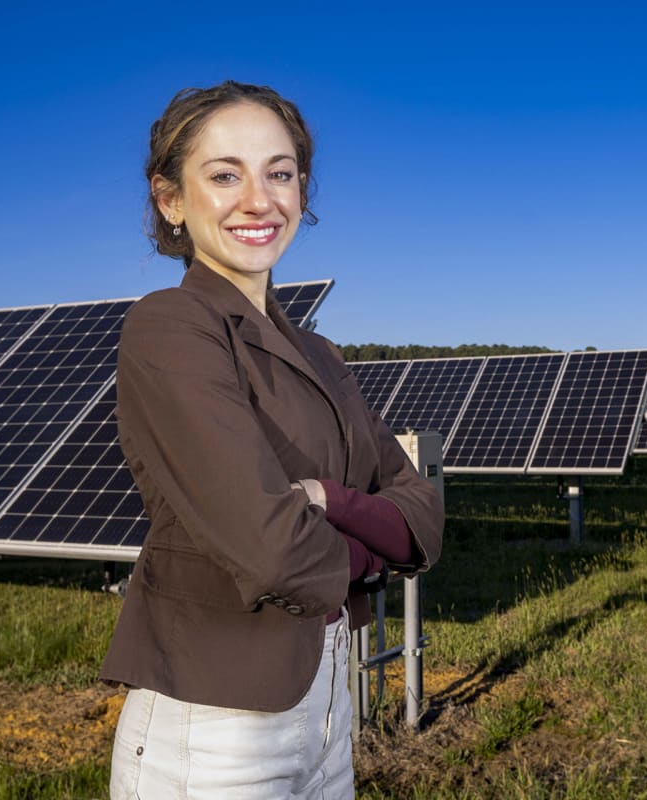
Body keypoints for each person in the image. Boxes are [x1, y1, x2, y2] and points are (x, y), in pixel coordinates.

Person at [102, 80, 443, 800]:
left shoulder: (321, 355)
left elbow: (423, 520)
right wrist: (369, 548)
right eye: (224, 175)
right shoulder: (171, 328)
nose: (259, 200)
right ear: (170, 199)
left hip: (328, 717)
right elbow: (274, 549)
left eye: (279, 173)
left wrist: (328, 498)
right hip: (216, 731)